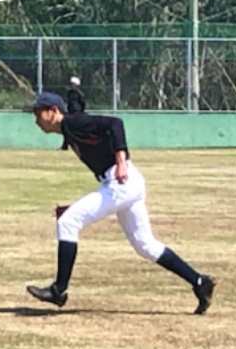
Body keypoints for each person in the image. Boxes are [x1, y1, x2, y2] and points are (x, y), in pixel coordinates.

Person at [24, 91, 216, 314]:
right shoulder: (69, 128)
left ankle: (59, 290)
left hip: (121, 180)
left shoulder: (72, 122)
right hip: (125, 183)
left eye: (38, 113)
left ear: (53, 111)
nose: (36, 120)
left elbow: (115, 123)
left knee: (67, 222)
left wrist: (121, 160)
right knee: (145, 245)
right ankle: (200, 282)